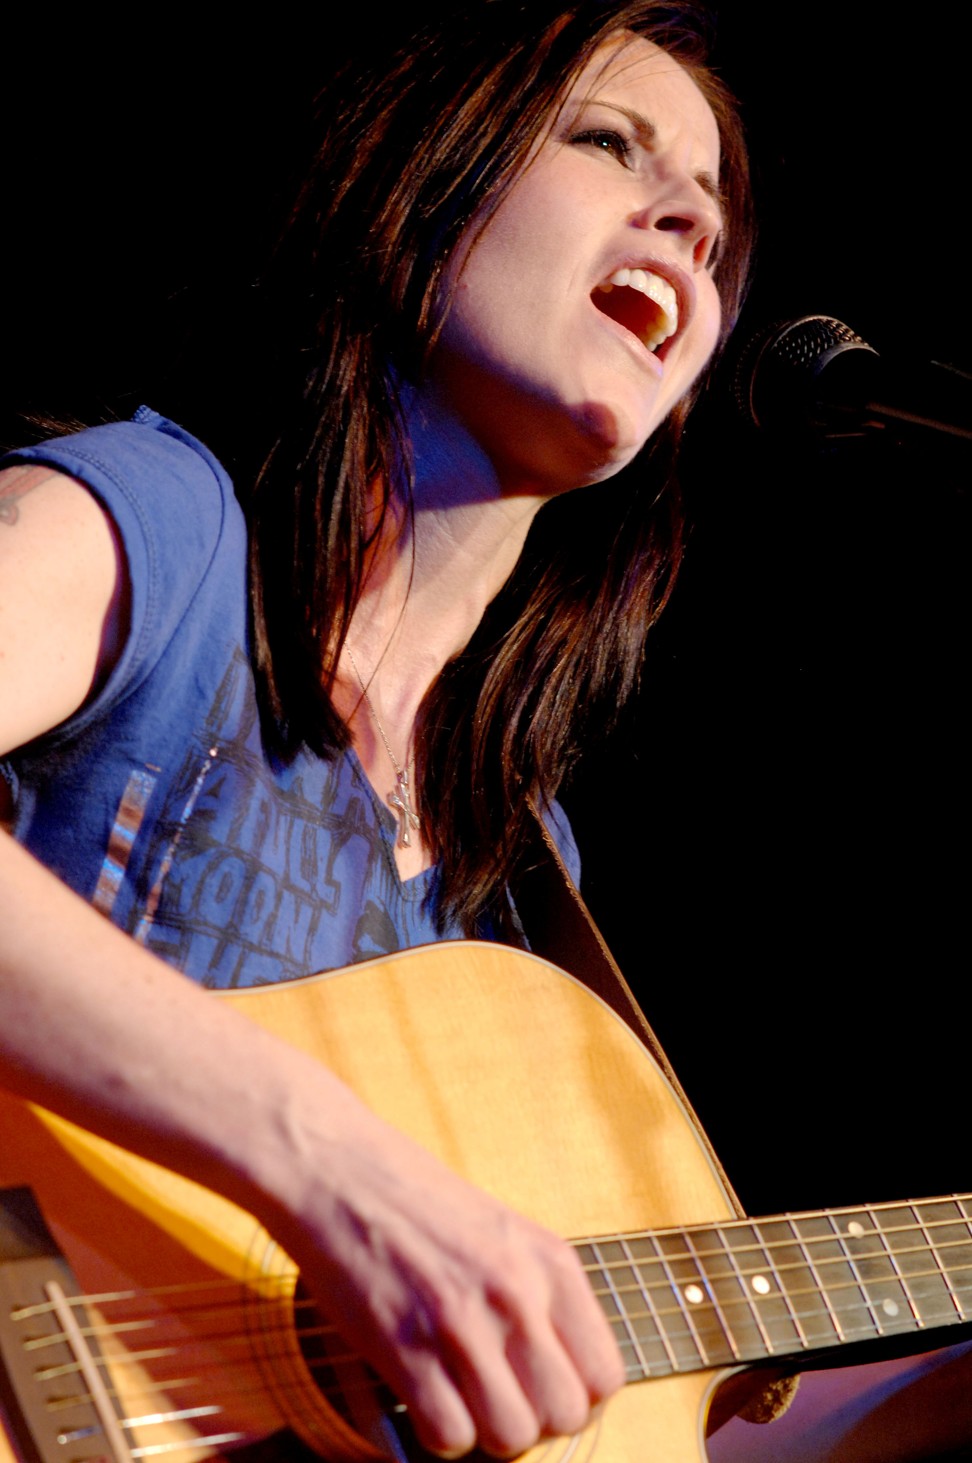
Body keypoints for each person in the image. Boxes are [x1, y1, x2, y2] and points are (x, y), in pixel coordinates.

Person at [0, 5, 968, 1460]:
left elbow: (650, 1433)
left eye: (715, 230)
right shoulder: (165, 532)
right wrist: (336, 1174)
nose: (689, 223)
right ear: (419, 181)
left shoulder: (514, 870)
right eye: (609, 143)